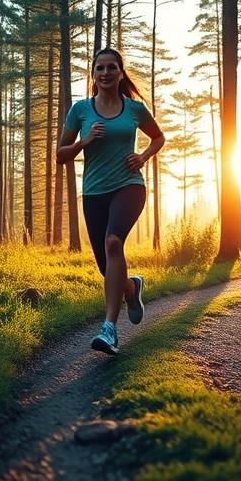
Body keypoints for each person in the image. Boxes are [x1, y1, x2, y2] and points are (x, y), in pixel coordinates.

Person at [56, 48, 165, 355]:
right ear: (93, 75)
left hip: (129, 186)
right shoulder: (80, 110)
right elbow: (60, 155)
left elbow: (158, 137)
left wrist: (142, 157)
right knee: (107, 267)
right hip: (94, 193)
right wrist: (85, 140)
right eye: (100, 68)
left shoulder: (135, 109)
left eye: (111, 68)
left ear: (120, 73)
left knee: (113, 241)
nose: (105, 73)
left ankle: (109, 329)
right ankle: (130, 287)